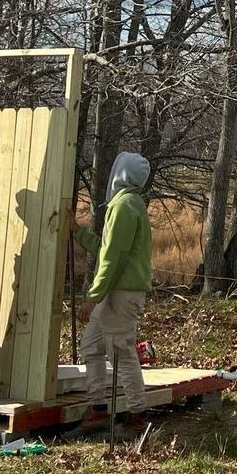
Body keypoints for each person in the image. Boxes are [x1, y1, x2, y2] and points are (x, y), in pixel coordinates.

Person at [73, 152, 154, 437]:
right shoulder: (126, 204)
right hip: (116, 292)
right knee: (92, 347)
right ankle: (97, 408)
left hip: (121, 293)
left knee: (121, 353)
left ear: (122, 173)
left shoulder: (125, 206)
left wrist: (93, 297)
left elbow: (113, 260)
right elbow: (109, 250)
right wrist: (78, 233)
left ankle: (137, 417)